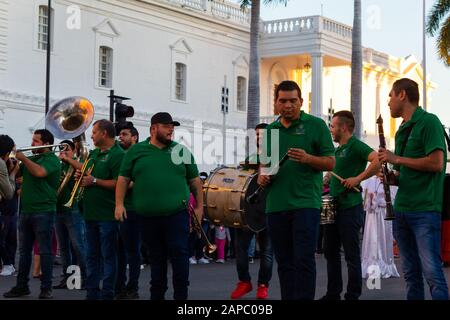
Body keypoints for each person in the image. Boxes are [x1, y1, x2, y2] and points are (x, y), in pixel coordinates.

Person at [258, 80, 335, 300]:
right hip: (276, 205)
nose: (288, 105)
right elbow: (267, 165)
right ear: (276, 103)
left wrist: (308, 158)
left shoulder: (316, 125)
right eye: (283, 101)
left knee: (303, 261)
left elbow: (331, 163)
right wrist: (264, 176)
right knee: (284, 264)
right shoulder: (271, 130)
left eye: (293, 101)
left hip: (305, 204)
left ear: (301, 102)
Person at [115, 112, 203, 300]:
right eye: (166, 126)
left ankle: (181, 299)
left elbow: (195, 181)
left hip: (177, 215)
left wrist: (199, 208)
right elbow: (123, 179)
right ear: (154, 128)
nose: (171, 129)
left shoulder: (180, 151)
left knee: (180, 258)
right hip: (147, 217)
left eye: (172, 126)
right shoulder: (136, 151)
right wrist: (119, 204)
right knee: (157, 262)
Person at [378, 78, 449, 300]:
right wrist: (392, 178)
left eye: (390, 95)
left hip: (424, 210)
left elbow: (436, 163)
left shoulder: (429, 122)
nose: (388, 102)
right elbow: (406, 172)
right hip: (403, 210)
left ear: (402, 95)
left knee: (432, 274)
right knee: (410, 274)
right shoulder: (402, 130)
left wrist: (395, 157)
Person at [321, 110, 380, 300]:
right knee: (330, 253)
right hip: (333, 207)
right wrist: (328, 177)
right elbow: (336, 172)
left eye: (333, 126)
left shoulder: (356, 146)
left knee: (351, 255)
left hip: (350, 207)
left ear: (344, 127)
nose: (331, 130)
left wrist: (358, 178)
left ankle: (352, 295)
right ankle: (333, 293)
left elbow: (377, 160)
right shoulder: (336, 151)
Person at [4, 129, 61, 299]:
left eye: (36, 141)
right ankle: (22, 286)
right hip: (26, 211)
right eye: (32, 139)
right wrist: (10, 162)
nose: (32, 143)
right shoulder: (32, 158)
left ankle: (46, 288)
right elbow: (14, 175)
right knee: (24, 252)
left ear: (46, 143)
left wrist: (24, 159)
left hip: (44, 211)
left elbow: (40, 172)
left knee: (44, 251)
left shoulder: (52, 159)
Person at [81, 119, 124, 300]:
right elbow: (88, 175)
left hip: (107, 215)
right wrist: (81, 175)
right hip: (90, 213)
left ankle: (107, 293)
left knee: (108, 257)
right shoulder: (93, 154)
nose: (91, 135)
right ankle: (92, 293)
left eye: (94, 132)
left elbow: (120, 183)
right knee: (91, 256)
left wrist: (95, 181)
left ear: (104, 133)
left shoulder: (118, 155)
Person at [231, 123, 274, 300]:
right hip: (247, 210)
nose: (259, 137)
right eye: (257, 134)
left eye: (263, 135)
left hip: (269, 210)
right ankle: (244, 282)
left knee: (267, 252)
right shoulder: (249, 159)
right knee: (240, 251)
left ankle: (263, 286)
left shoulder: (274, 158)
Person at [53, 139, 87, 290]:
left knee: (78, 245)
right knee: (64, 248)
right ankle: (69, 279)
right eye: (61, 150)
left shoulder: (77, 163)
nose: (63, 152)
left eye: (66, 149)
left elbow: (85, 169)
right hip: (59, 209)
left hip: (73, 211)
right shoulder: (59, 166)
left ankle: (86, 278)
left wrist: (68, 159)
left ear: (73, 151)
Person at [116, 124, 141, 299]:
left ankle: (132, 287)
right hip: (118, 208)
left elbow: (135, 181)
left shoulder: (139, 156)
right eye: (119, 134)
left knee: (132, 251)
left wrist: (120, 183)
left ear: (135, 137)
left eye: (124, 134)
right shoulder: (119, 155)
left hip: (133, 209)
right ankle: (119, 286)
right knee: (118, 251)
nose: (120, 137)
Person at [361, 174, 400, 279]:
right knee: (371, 236)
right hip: (371, 214)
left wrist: (377, 200)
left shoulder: (390, 179)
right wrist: (370, 200)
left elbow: (392, 198)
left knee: (383, 237)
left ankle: (384, 264)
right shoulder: (369, 180)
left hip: (384, 213)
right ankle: (371, 264)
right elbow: (364, 199)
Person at [0, 135, 19, 276]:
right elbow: (9, 192)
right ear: (6, 153)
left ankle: (8, 264)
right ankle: (8, 264)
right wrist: (12, 174)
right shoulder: (1, 163)